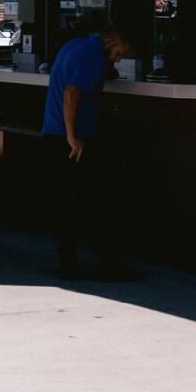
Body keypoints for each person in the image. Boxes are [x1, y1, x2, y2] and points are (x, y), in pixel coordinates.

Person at [40, 19, 137, 280]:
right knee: (98, 201)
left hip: (52, 131)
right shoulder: (94, 59)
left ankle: (69, 264)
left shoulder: (73, 46)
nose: (119, 59)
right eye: (120, 53)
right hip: (76, 140)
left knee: (66, 203)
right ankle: (109, 265)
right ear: (109, 41)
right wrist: (73, 136)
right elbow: (72, 93)